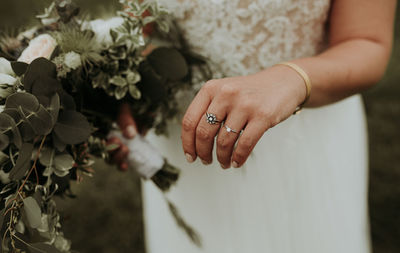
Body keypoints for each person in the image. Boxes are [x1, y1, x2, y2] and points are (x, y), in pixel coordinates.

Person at [111, 0, 396, 252]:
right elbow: (140, 27)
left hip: (302, 134)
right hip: (191, 144)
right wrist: (125, 93)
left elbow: (367, 42)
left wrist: (293, 79)